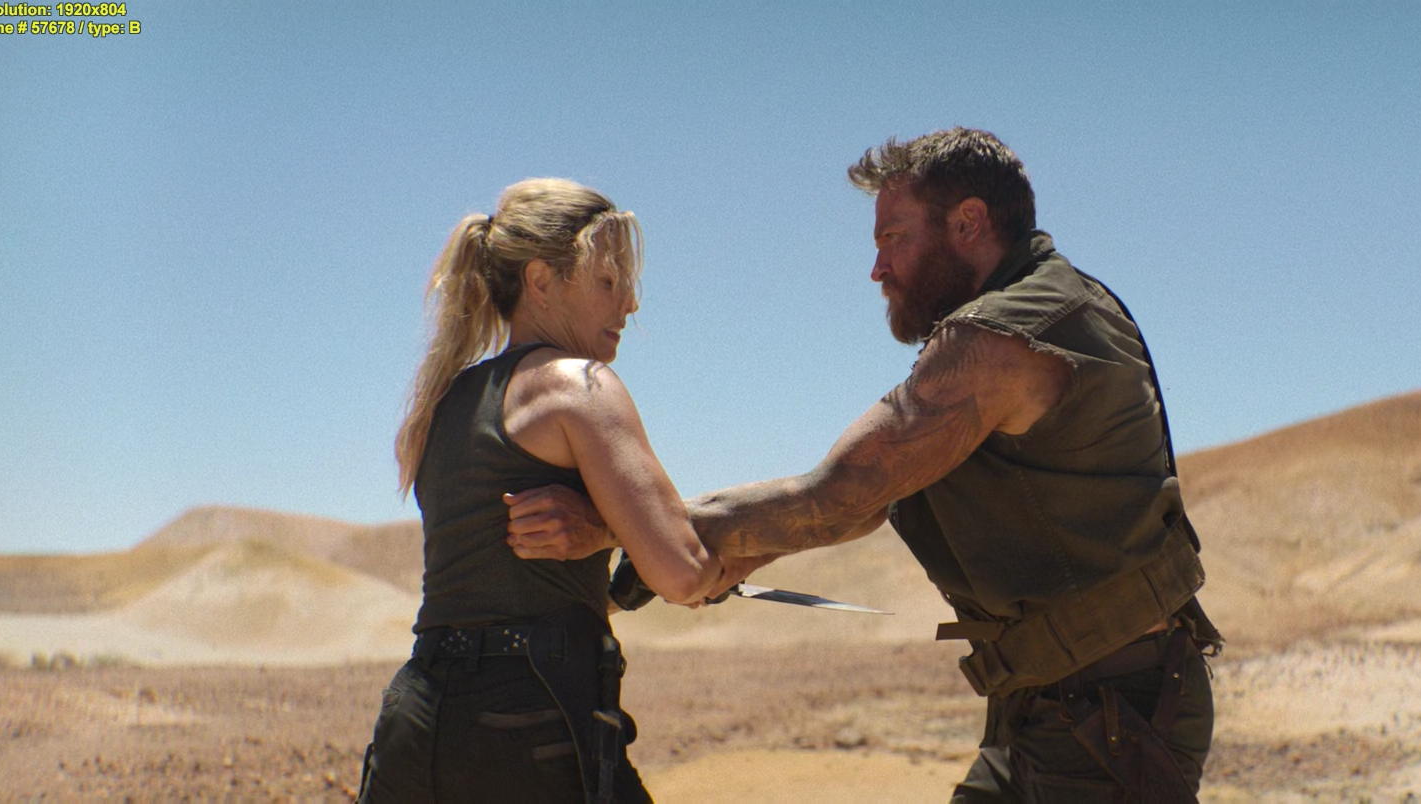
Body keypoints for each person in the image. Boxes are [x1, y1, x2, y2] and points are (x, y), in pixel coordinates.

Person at [507, 129, 1223, 802]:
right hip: (1058, 702)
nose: (877, 268)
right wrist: (690, 560)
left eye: (893, 239)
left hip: (1110, 714)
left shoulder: (1004, 337)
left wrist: (618, 526)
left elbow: (839, 497)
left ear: (969, 222)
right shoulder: (1046, 309)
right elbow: (860, 504)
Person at [358, 178, 722, 804]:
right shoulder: (576, 385)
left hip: (415, 723)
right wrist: (651, 541)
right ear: (541, 282)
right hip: (526, 727)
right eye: (607, 281)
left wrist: (603, 536)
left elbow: (511, 584)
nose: (629, 303)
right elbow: (683, 573)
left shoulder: (444, 404)